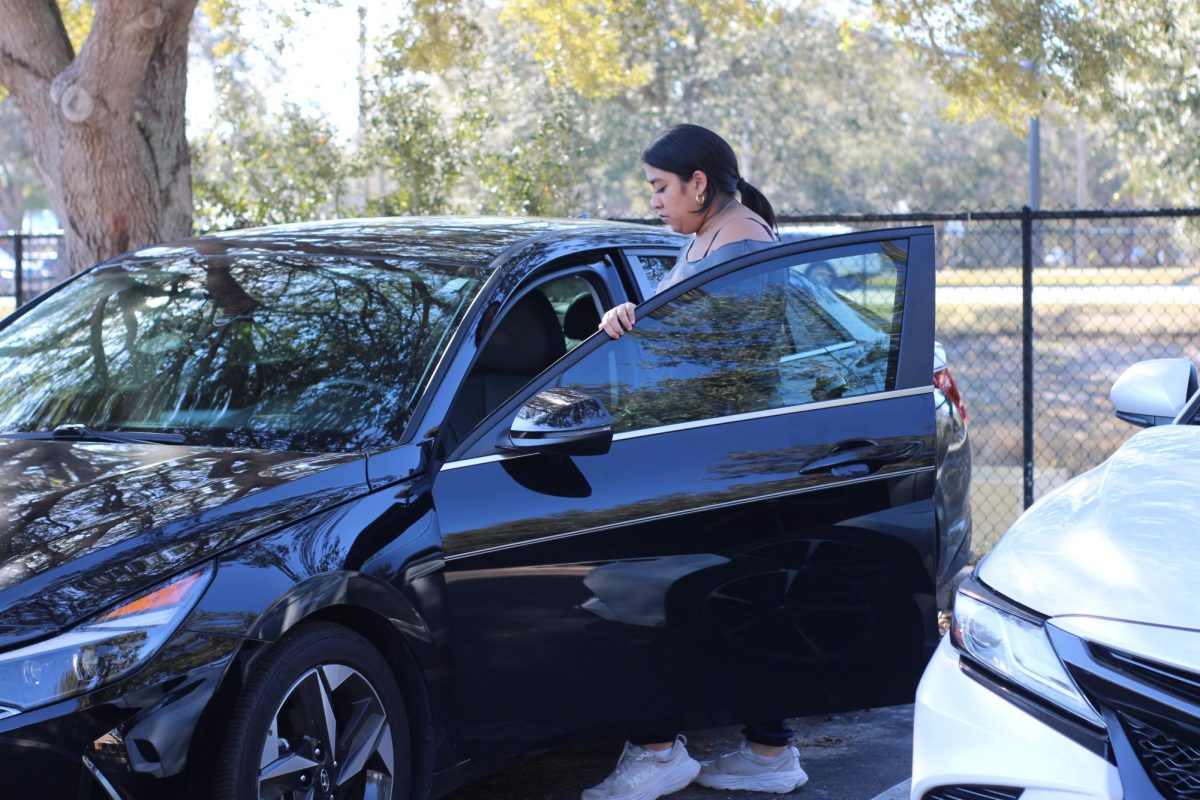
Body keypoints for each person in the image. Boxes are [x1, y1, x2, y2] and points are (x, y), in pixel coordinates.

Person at [583, 124, 809, 800]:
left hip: (717, 456)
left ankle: (658, 750)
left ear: (698, 184)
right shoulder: (717, 235)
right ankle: (768, 752)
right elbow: (692, 331)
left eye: (659, 187)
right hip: (722, 452)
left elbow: (710, 357)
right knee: (739, 602)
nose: (653, 200)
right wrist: (633, 312)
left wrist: (635, 330)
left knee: (642, 594)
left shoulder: (739, 242)